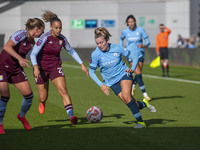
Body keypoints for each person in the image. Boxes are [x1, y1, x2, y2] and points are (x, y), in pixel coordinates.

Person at [89, 27, 156, 129]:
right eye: (97, 43)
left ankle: (141, 123)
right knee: (130, 102)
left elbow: (134, 57)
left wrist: (132, 68)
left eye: (101, 42)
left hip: (124, 74)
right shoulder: (95, 54)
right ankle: (144, 104)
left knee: (126, 95)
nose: (100, 45)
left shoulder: (117, 48)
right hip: (111, 82)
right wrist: (101, 85)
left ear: (107, 40)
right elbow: (91, 72)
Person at [30, 10, 89, 125]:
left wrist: (82, 64)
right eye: (56, 28)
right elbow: (33, 54)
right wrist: (36, 67)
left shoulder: (62, 39)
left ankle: (71, 116)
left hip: (55, 67)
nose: (59, 30)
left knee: (63, 90)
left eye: (60, 28)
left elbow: (71, 51)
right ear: (51, 27)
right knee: (43, 97)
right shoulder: (44, 37)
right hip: (41, 68)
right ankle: (42, 102)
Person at [0, 18, 45, 134]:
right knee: (5, 95)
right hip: (2, 67)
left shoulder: (32, 42)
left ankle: (22, 116)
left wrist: (37, 67)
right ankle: (0, 124)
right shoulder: (20, 35)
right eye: (42, 30)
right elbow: (7, 47)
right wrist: (20, 58)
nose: (42, 33)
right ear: (36, 29)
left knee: (29, 95)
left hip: (16, 69)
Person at [120, 15, 151, 101]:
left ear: (135, 22)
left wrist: (143, 45)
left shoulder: (141, 30)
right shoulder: (125, 32)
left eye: (132, 21)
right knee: (138, 74)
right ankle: (145, 95)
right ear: (127, 23)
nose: (131, 23)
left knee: (138, 74)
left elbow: (148, 42)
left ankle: (133, 86)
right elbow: (121, 39)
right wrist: (121, 47)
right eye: (129, 22)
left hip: (140, 55)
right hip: (130, 55)